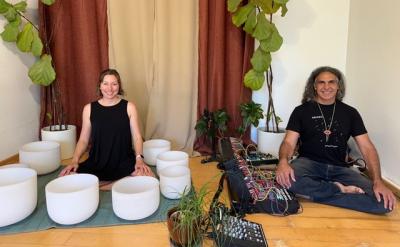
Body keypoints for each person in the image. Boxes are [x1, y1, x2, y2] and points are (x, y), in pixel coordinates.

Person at [276, 66, 396, 214]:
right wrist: (283, 162)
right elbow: (288, 142)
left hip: (340, 168)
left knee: (384, 204)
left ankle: (317, 192)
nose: (326, 87)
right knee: (284, 181)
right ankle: (338, 189)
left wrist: (378, 181)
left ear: (338, 86)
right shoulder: (301, 111)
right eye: (321, 82)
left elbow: (367, 148)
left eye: (331, 82)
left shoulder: (351, 113)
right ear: (314, 86)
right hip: (308, 164)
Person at [59, 69, 154, 184]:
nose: (110, 89)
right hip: (96, 162)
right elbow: (83, 140)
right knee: (64, 177)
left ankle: (105, 185)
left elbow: (137, 137)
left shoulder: (129, 107)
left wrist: (139, 159)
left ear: (119, 86)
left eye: (114, 84)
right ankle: (113, 184)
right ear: (100, 85)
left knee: (150, 179)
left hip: (123, 161)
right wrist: (74, 160)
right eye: (105, 84)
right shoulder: (89, 109)